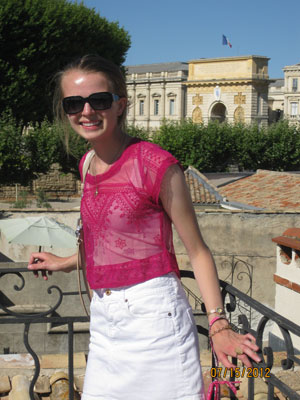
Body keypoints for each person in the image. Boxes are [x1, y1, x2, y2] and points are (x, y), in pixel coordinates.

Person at [28, 54, 260, 400]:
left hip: (155, 323)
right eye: (74, 103)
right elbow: (107, 240)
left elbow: (197, 251)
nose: (87, 111)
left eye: (100, 100)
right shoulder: (87, 163)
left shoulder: (156, 165)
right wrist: (63, 262)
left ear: (121, 104)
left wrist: (218, 324)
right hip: (105, 324)